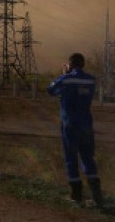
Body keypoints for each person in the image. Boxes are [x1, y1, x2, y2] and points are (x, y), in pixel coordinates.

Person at [47, 53, 103, 207]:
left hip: (70, 124)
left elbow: (51, 90)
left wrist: (64, 74)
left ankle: (76, 195)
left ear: (70, 64)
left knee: (71, 158)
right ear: (83, 64)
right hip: (86, 124)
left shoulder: (67, 79)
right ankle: (97, 196)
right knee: (88, 158)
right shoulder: (91, 80)